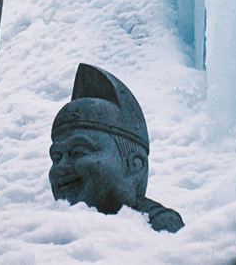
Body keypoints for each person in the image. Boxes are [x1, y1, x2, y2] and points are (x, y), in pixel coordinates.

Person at [48, 63, 184, 233]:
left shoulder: (160, 228)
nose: (61, 167)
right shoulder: (53, 234)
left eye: (78, 152)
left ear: (134, 166)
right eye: (56, 157)